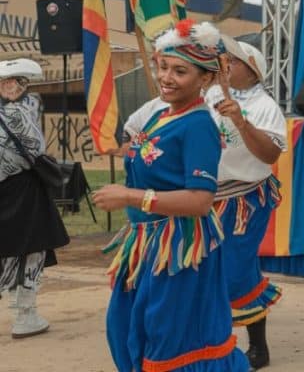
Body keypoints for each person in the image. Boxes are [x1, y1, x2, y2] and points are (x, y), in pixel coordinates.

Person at [93, 20, 249, 372]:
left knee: (171, 339)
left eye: (180, 71)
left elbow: (200, 201)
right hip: (147, 244)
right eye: (163, 66)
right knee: (125, 326)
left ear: (205, 80)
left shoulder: (198, 126)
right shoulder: (161, 113)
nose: (166, 77)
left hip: (178, 248)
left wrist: (131, 196)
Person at [206, 37, 287, 370]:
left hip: (246, 199)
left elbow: (270, 154)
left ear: (252, 71)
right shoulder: (208, 94)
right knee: (215, 267)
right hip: (209, 196)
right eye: (225, 60)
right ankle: (256, 347)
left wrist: (241, 121)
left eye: (234, 62)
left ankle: (225, 341)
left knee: (234, 269)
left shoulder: (265, 105)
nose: (226, 65)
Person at [0, 58, 68, 339]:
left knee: (16, 251)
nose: (11, 86)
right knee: (31, 250)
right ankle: (25, 316)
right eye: (6, 82)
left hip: (14, 191)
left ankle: (24, 312)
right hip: (22, 191)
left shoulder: (22, 109)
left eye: (15, 82)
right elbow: (37, 148)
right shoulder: (22, 112)